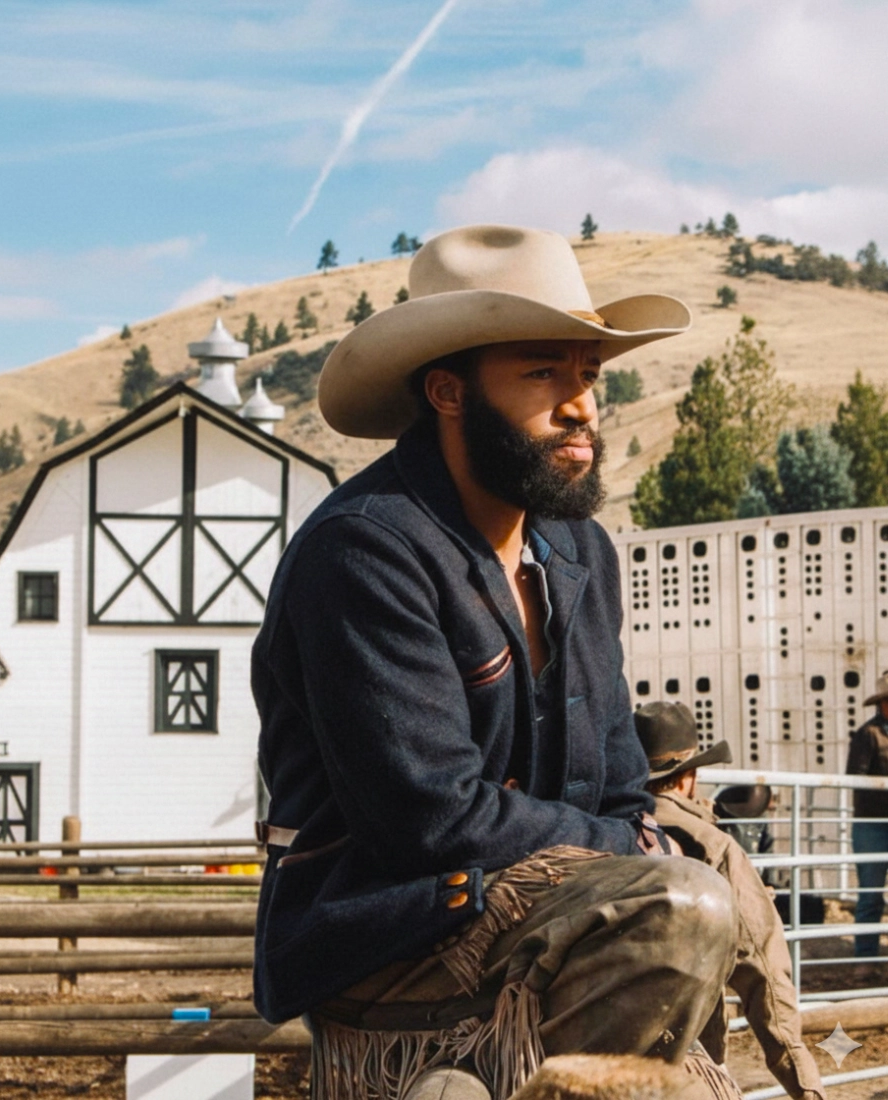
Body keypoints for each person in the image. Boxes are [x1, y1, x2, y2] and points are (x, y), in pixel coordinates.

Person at [252, 225, 737, 1100]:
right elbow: (426, 820)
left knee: (697, 887)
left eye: (589, 374)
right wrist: (630, 849)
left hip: (545, 910)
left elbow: (621, 784)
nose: (582, 403)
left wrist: (634, 837)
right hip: (394, 932)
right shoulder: (364, 553)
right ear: (448, 390)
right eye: (543, 372)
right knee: (679, 904)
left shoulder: (577, 551)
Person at [635, 701, 825, 1100]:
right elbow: (763, 970)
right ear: (688, 776)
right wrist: (805, 1086)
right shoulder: (712, 846)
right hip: (689, 1053)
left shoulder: (599, 830)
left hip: (595, 1053)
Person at [846, 671, 888, 958]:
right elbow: (855, 779)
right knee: (871, 894)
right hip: (873, 824)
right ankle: (865, 955)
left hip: (875, 822)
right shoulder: (868, 734)